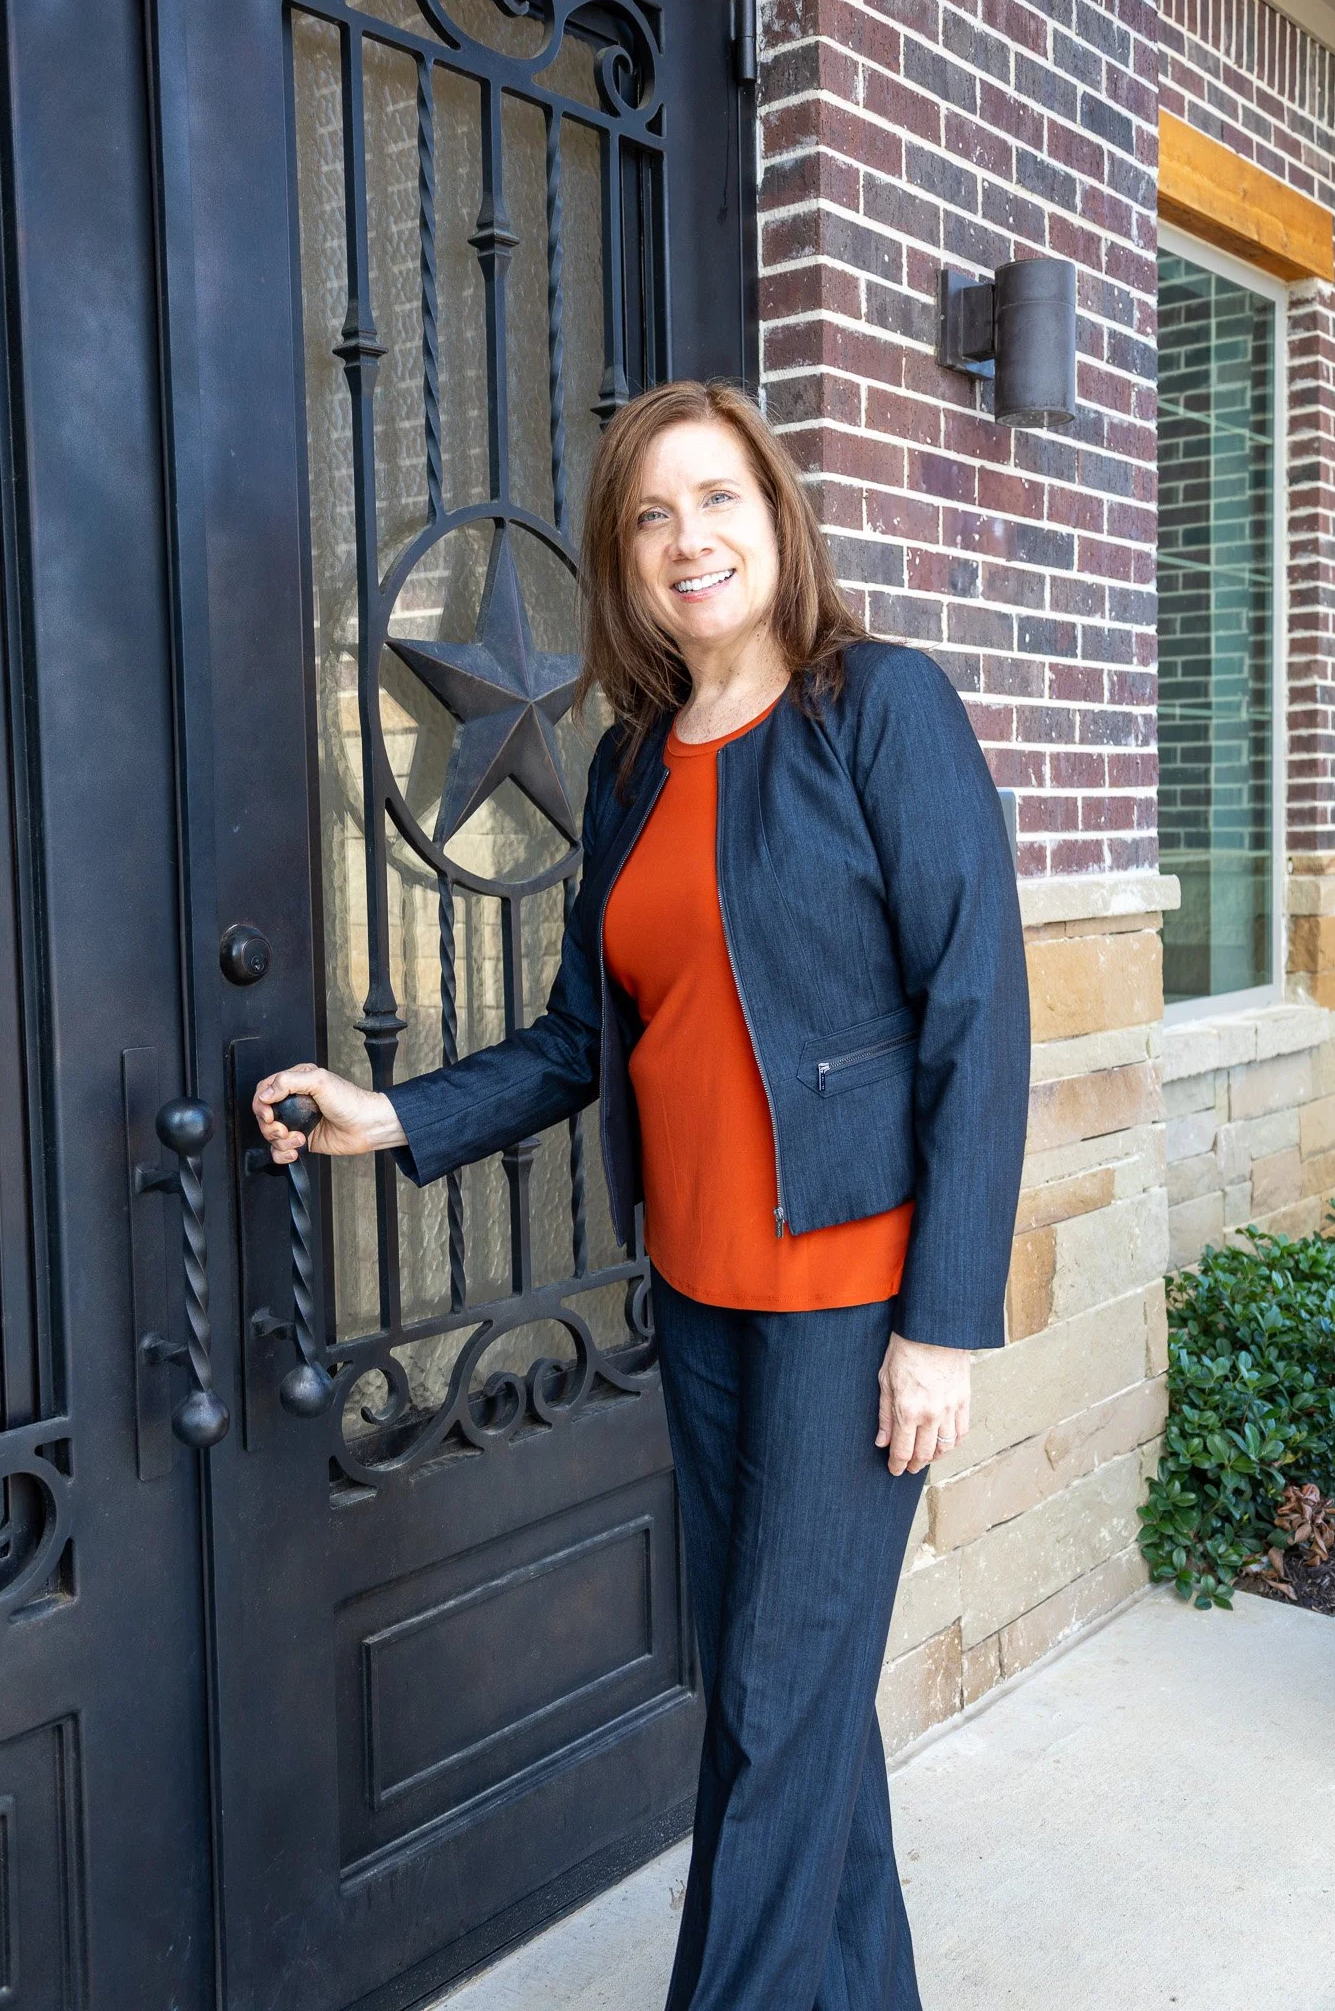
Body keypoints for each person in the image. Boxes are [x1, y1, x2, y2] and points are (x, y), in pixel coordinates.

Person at [254, 380, 1030, 2010]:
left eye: (719, 498)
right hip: (702, 1304)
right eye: (651, 515)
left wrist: (943, 1329)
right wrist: (391, 1112)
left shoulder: (876, 708)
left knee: (767, 1702)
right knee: (801, 1708)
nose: (690, 539)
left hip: (849, 1308)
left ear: (778, 516)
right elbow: (572, 1041)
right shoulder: (625, 769)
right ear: (625, 561)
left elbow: (977, 1013)